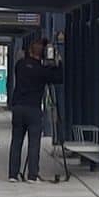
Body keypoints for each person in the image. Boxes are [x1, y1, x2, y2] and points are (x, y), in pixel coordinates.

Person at [8, 38, 62, 183]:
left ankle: (13, 174)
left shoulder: (20, 65)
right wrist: (57, 62)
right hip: (33, 109)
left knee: (16, 141)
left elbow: (24, 63)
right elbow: (58, 78)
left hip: (18, 107)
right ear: (43, 53)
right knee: (34, 142)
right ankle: (32, 174)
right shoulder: (42, 70)